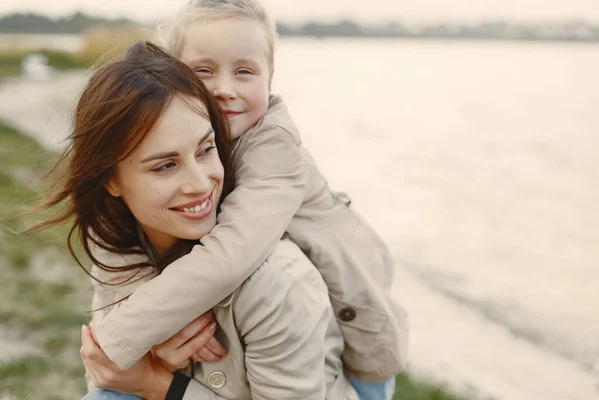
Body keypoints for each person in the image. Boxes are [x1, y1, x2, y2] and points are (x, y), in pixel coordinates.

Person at [90, 0, 409, 398]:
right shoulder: (188, 135)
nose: (225, 89)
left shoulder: (274, 148)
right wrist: (141, 332)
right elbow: (122, 251)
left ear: (270, 78)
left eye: (245, 72)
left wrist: (123, 333)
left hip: (358, 337)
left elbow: (232, 254)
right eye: (204, 71)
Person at [31, 41, 359, 399]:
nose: (201, 184)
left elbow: (128, 381)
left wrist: (158, 384)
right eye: (165, 165)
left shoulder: (278, 282)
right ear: (111, 180)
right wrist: (154, 360)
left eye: (206, 149)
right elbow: (106, 375)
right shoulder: (118, 246)